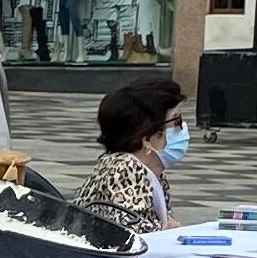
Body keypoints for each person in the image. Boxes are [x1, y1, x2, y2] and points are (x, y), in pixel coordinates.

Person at [72, 72, 186, 231]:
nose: (182, 128)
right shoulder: (124, 170)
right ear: (147, 138)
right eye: (177, 120)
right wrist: (165, 229)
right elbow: (131, 233)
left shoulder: (150, 172)